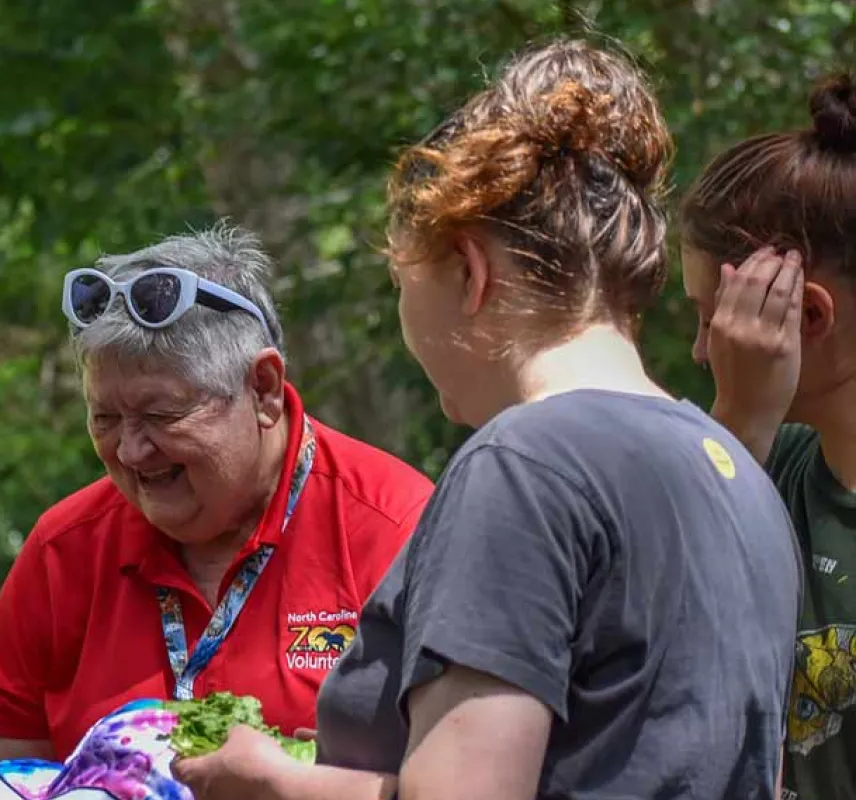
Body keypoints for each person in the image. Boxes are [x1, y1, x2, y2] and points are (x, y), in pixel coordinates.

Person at [169, 39, 802, 800]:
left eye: (404, 280)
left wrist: (276, 785)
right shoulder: (732, 469)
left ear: (469, 273)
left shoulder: (525, 467)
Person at [0, 224, 436, 800]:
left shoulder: (396, 530)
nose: (129, 451)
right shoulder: (64, 552)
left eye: (160, 416)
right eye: (104, 419)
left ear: (264, 388)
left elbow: (469, 781)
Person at [679, 71, 856, 800]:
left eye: (707, 318)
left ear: (806, 317)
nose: (698, 351)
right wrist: (743, 423)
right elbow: (660, 622)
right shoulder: (763, 466)